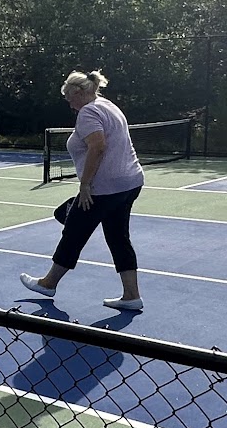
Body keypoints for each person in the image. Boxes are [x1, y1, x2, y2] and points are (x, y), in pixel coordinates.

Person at [18, 69, 148, 313]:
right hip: (129, 183)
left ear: (79, 92)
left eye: (69, 97)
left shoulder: (88, 112)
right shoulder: (108, 105)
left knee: (74, 233)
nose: (69, 103)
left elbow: (97, 146)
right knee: (118, 237)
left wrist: (85, 184)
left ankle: (48, 284)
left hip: (104, 188)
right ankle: (131, 295)